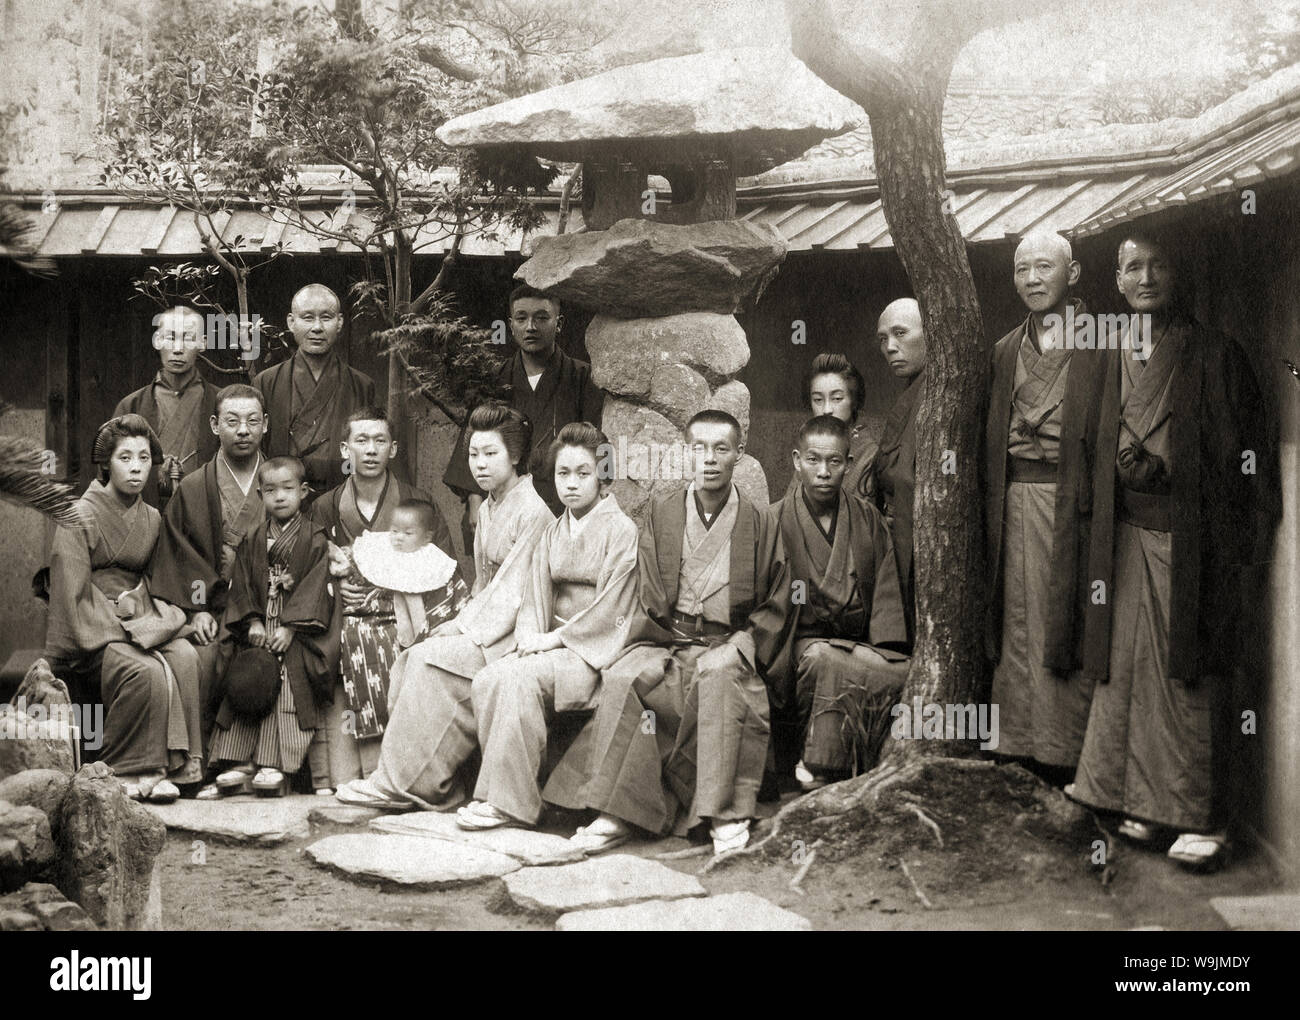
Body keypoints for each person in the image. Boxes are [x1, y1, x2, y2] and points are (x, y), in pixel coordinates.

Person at [1068, 233, 1275, 870]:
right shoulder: (1105, 355)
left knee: (1188, 679)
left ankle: (1202, 818)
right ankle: (1140, 801)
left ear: (1177, 274)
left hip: (1190, 546)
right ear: (1117, 283)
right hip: (1124, 540)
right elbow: (1086, 450)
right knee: (1127, 674)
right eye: (1133, 266)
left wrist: (1177, 477)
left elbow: (1246, 466)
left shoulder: (1215, 354)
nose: (1147, 276)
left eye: (1159, 264)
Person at [553, 410, 775, 855]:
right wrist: (658, 639)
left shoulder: (760, 521)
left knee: (718, 681)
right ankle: (617, 810)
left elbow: (775, 605)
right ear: (684, 454)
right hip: (670, 639)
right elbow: (650, 591)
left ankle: (723, 814)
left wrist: (738, 646)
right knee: (622, 676)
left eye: (721, 449)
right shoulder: (663, 510)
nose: (709, 459)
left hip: (727, 646)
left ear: (739, 454)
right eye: (698, 448)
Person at [335, 403, 554, 810]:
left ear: (516, 456)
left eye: (491, 454)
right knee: (413, 655)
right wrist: (458, 620)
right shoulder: (489, 506)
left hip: (517, 630)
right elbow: (484, 585)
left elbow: (513, 592)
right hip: (488, 620)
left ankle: (410, 785)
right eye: (474, 454)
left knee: (428, 661)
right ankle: (412, 778)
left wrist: (462, 628)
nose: (480, 465)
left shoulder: (533, 512)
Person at [455, 422, 639, 832]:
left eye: (583, 474)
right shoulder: (554, 529)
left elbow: (613, 611)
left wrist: (553, 640)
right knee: (489, 677)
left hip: (591, 652)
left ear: (603, 476)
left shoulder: (622, 531)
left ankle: (508, 805)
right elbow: (536, 598)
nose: (570, 484)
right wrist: (529, 639)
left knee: (519, 680)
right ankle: (506, 794)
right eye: (562, 473)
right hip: (552, 645)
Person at [983, 231, 1106, 783]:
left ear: (1072, 274)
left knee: (1069, 619)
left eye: (1043, 267)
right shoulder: (1006, 349)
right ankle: (1015, 742)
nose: (1031, 279)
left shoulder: (1103, 342)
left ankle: (1066, 752)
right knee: (1016, 620)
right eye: (1021, 269)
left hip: (1076, 501)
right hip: (1014, 498)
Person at [42, 415, 203, 802]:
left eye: (144, 458)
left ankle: (180, 765)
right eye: (125, 457)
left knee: (184, 655)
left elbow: (158, 576)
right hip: (93, 621)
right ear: (106, 463)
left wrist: (143, 610)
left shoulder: (150, 518)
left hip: (138, 613)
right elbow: (70, 586)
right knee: (142, 670)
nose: (136, 467)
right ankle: (131, 768)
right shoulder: (78, 515)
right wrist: (117, 622)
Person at [755, 415, 910, 792]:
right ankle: (821, 766)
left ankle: (865, 762)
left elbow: (887, 597)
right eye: (813, 460)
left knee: (910, 673)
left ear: (849, 464)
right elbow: (766, 611)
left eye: (834, 461)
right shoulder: (772, 521)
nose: (823, 472)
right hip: (799, 645)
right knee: (823, 659)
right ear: (796, 461)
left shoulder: (868, 519)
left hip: (861, 642)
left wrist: (882, 648)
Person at [311, 407, 464, 784]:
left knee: (392, 645)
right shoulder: (324, 506)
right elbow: (308, 567)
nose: (371, 449)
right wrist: (333, 588)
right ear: (345, 450)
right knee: (343, 642)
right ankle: (362, 769)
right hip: (342, 615)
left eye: (380, 440)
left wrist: (389, 592)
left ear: (393, 449)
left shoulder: (417, 504)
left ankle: (403, 769)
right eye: (360, 441)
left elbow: (442, 569)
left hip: (405, 616)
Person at [203, 456, 334, 798]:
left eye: (288, 489)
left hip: (299, 636)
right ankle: (241, 762)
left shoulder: (315, 539)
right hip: (260, 632)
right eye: (271, 490)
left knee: (289, 683)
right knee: (249, 679)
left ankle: (274, 764)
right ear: (260, 494)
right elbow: (242, 586)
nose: (280, 497)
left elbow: (317, 587)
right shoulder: (254, 537)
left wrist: (290, 629)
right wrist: (253, 621)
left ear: (304, 492)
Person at [147, 383, 266, 760]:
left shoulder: (281, 483)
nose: (243, 430)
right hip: (213, 610)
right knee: (200, 659)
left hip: (268, 609)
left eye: (252, 421)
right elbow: (179, 553)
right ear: (215, 425)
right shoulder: (195, 487)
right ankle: (205, 761)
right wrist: (196, 608)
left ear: (266, 424)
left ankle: (267, 760)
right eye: (232, 421)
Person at [442, 285, 603, 535]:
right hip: (503, 501)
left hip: (564, 500)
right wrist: (475, 501)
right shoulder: (494, 379)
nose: (531, 327)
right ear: (510, 324)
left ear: (558, 323)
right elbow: (474, 441)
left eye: (541, 318)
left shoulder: (583, 377)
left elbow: (597, 444)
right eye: (521, 318)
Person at [327, 498, 464, 746]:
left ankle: (415, 733)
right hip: (374, 615)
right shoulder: (378, 550)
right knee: (358, 637)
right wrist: (339, 567)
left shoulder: (435, 561)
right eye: (394, 531)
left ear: (426, 537)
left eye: (408, 533)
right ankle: (375, 725)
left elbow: (454, 597)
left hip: (422, 624)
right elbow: (347, 560)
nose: (398, 538)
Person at [255, 284, 377, 502]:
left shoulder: (361, 385)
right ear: (291, 322)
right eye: (308, 318)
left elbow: (365, 451)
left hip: (340, 499)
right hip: (281, 500)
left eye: (327, 318)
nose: (317, 327)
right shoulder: (267, 382)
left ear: (339, 322)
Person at [860, 297, 927, 645]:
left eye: (900, 333)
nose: (890, 347)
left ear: (930, 332)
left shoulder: (938, 392)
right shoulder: (911, 392)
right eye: (883, 338)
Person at [114, 305, 220, 506]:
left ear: (203, 343)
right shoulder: (131, 405)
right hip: (144, 509)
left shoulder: (219, 402)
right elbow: (111, 471)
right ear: (157, 341)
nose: (178, 349)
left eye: (188, 338)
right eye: (170, 338)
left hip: (202, 508)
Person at [785, 353, 875, 496]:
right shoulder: (807, 448)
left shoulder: (870, 456)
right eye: (818, 399)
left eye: (837, 398)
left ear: (854, 401)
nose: (827, 410)